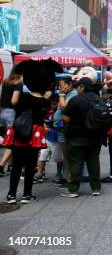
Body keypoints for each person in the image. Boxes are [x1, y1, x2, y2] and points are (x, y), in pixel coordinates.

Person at [3, 59, 63, 204]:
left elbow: (13, 103)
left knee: (16, 164)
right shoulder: (45, 102)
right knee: (30, 165)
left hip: (19, 132)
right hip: (35, 134)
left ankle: (11, 195)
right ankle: (26, 195)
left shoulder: (22, 98)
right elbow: (44, 108)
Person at [61, 71, 104, 198]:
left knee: (76, 162)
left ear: (82, 87)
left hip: (77, 136)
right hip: (96, 136)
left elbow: (65, 119)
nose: (77, 88)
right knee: (93, 161)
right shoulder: (98, 99)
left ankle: (73, 190)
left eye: (78, 86)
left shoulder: (76, 100)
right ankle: (96, 188)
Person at [52, 76, 78, 185]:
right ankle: (66, 176)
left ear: (70, 84)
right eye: (59, 86)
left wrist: (61, 94)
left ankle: (69, 179)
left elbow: (63, 107)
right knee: (63, 154)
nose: (60, 88)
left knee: (67, 155)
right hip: (60, 127)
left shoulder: (73, 94)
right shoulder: (67, 94)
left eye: (62, 85)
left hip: (65, 128)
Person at [0, 67, 23, 176]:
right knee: (12, 141)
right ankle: (1, 165)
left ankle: (10, 165)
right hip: (12, 113)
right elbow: (14, 101)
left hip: (3, 112)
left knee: (8, 139)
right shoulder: (19, 83)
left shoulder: (6, 82)